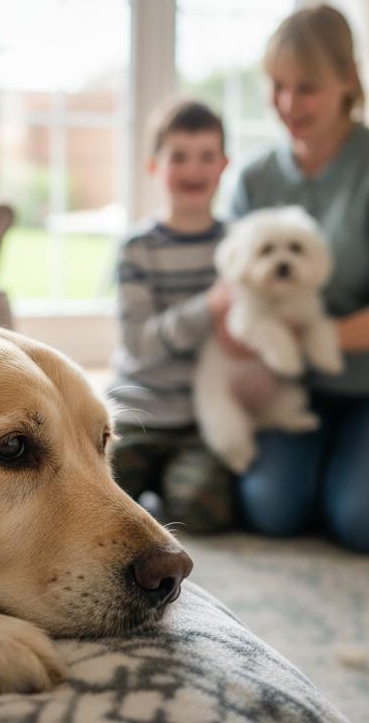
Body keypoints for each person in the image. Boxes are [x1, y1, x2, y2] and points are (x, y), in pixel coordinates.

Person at [226, 4, 369, 553]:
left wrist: (304, 338)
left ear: (348, 78)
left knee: (368, 525)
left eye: (307, 88)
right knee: (271, 510)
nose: (288, 105)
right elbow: (234, 288)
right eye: (277, 87)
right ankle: (338, 466)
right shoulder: (256, 177)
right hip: (293, 384)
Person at [107, 99, 239, 534]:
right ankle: (145, 481)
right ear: (153, 167)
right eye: (178, 156)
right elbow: (139, 343)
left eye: (206, 156)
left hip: (198, 421)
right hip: (135, 413)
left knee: (202, 512)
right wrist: (209, 306)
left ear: (224, 166)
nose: (193, 169)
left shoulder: (238, 246)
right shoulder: (137, 248)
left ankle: (168, 484)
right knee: (92, 504)